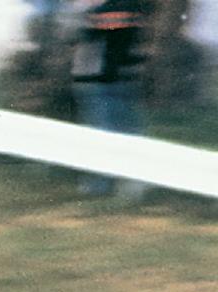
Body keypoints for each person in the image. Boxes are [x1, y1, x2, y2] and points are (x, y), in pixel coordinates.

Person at [70, 0, 148, 196]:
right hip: (116, 77)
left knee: (104, 132)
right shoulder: (133, 6)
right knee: (124, 129)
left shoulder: (105, 9)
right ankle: (126, 181)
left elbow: (95, 33)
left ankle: (102, 183)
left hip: (101, 78)